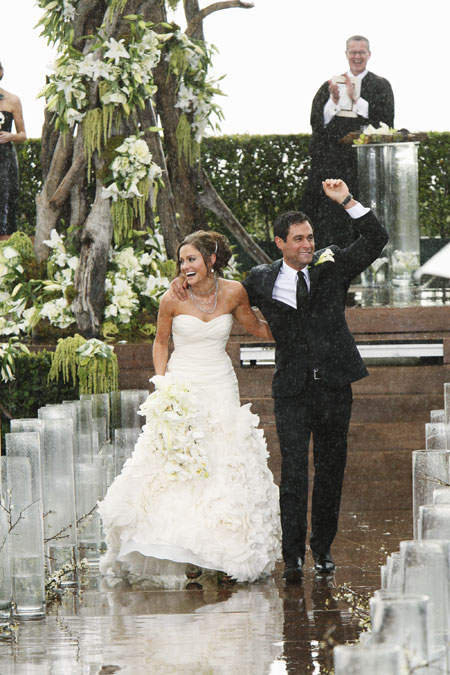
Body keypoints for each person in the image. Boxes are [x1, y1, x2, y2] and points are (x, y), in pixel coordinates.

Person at [98, 230, 281, 584]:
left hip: (219, 383)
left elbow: (256, 327)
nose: (185, 266)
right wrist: (163, 385)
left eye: (191, 259)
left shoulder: (233, 292)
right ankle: (186, 553)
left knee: (223, 459)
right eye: (182, 260)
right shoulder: (172, 297)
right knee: (179, 463)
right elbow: (160, 342)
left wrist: (295, 328)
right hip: (182, 385)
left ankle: (224, 550)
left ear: (211, 260)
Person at [241, 178, 388, 582]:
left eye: (310, 237)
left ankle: (321, 549)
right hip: (292, 390)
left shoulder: (333, 263)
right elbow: (227, 300)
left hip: (335, 386)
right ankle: (293, 558)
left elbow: (376, 238)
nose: (307, 244)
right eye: (299, 239)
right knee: (293, 472)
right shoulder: (260, 278)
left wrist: (347, 201)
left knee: (329, 470)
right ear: (280, 243)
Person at [301, 36, 394, 249]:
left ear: (369, 55)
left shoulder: (381, 85)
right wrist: (333, 102)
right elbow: (317, 123)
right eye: (353, 52)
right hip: (331, 165)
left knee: (359, 214)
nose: (357, 56)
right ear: (346, 55)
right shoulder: (329, 86)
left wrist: (356, 100)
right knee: (328, 219)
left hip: (364, 168)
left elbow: (387, 122)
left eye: (362, 52)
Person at [0, 60, 26, 236]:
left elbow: (23, 135)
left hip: (5, 159)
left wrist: (11, 136)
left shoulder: (13, 100)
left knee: (5, 200)